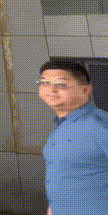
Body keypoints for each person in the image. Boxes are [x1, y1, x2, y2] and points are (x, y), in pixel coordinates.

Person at [38, 59, 108, 215]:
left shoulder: (100, 125)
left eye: (61, 84)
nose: (51, 89)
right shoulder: (63, 125)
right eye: (45, 83)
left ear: (85, 90)